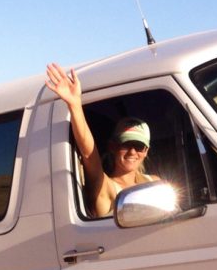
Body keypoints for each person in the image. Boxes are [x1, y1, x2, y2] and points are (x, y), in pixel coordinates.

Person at [45, 63, 156, 218]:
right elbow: (89, 155)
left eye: (138, 146)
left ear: (146, 151)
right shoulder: (106, 187)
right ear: (112, 146)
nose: (132, 151)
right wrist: (75, 105)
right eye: (125, 144)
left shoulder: (155, 182)